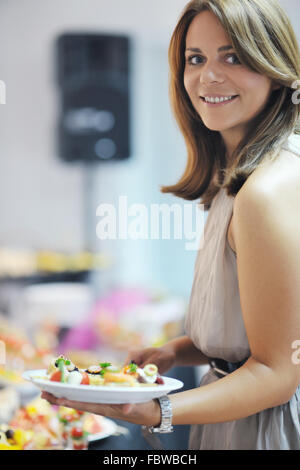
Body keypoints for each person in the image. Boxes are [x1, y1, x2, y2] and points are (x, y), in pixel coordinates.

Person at [42, 0, 300, 450]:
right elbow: (264, 326)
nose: (209, 76)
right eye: (195, 59)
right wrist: (176, 352)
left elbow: (278, 373)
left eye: (233, 56)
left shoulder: (263, 193)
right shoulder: (242, 178)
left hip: (262, 430)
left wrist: (158, 410)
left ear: (275, 69)